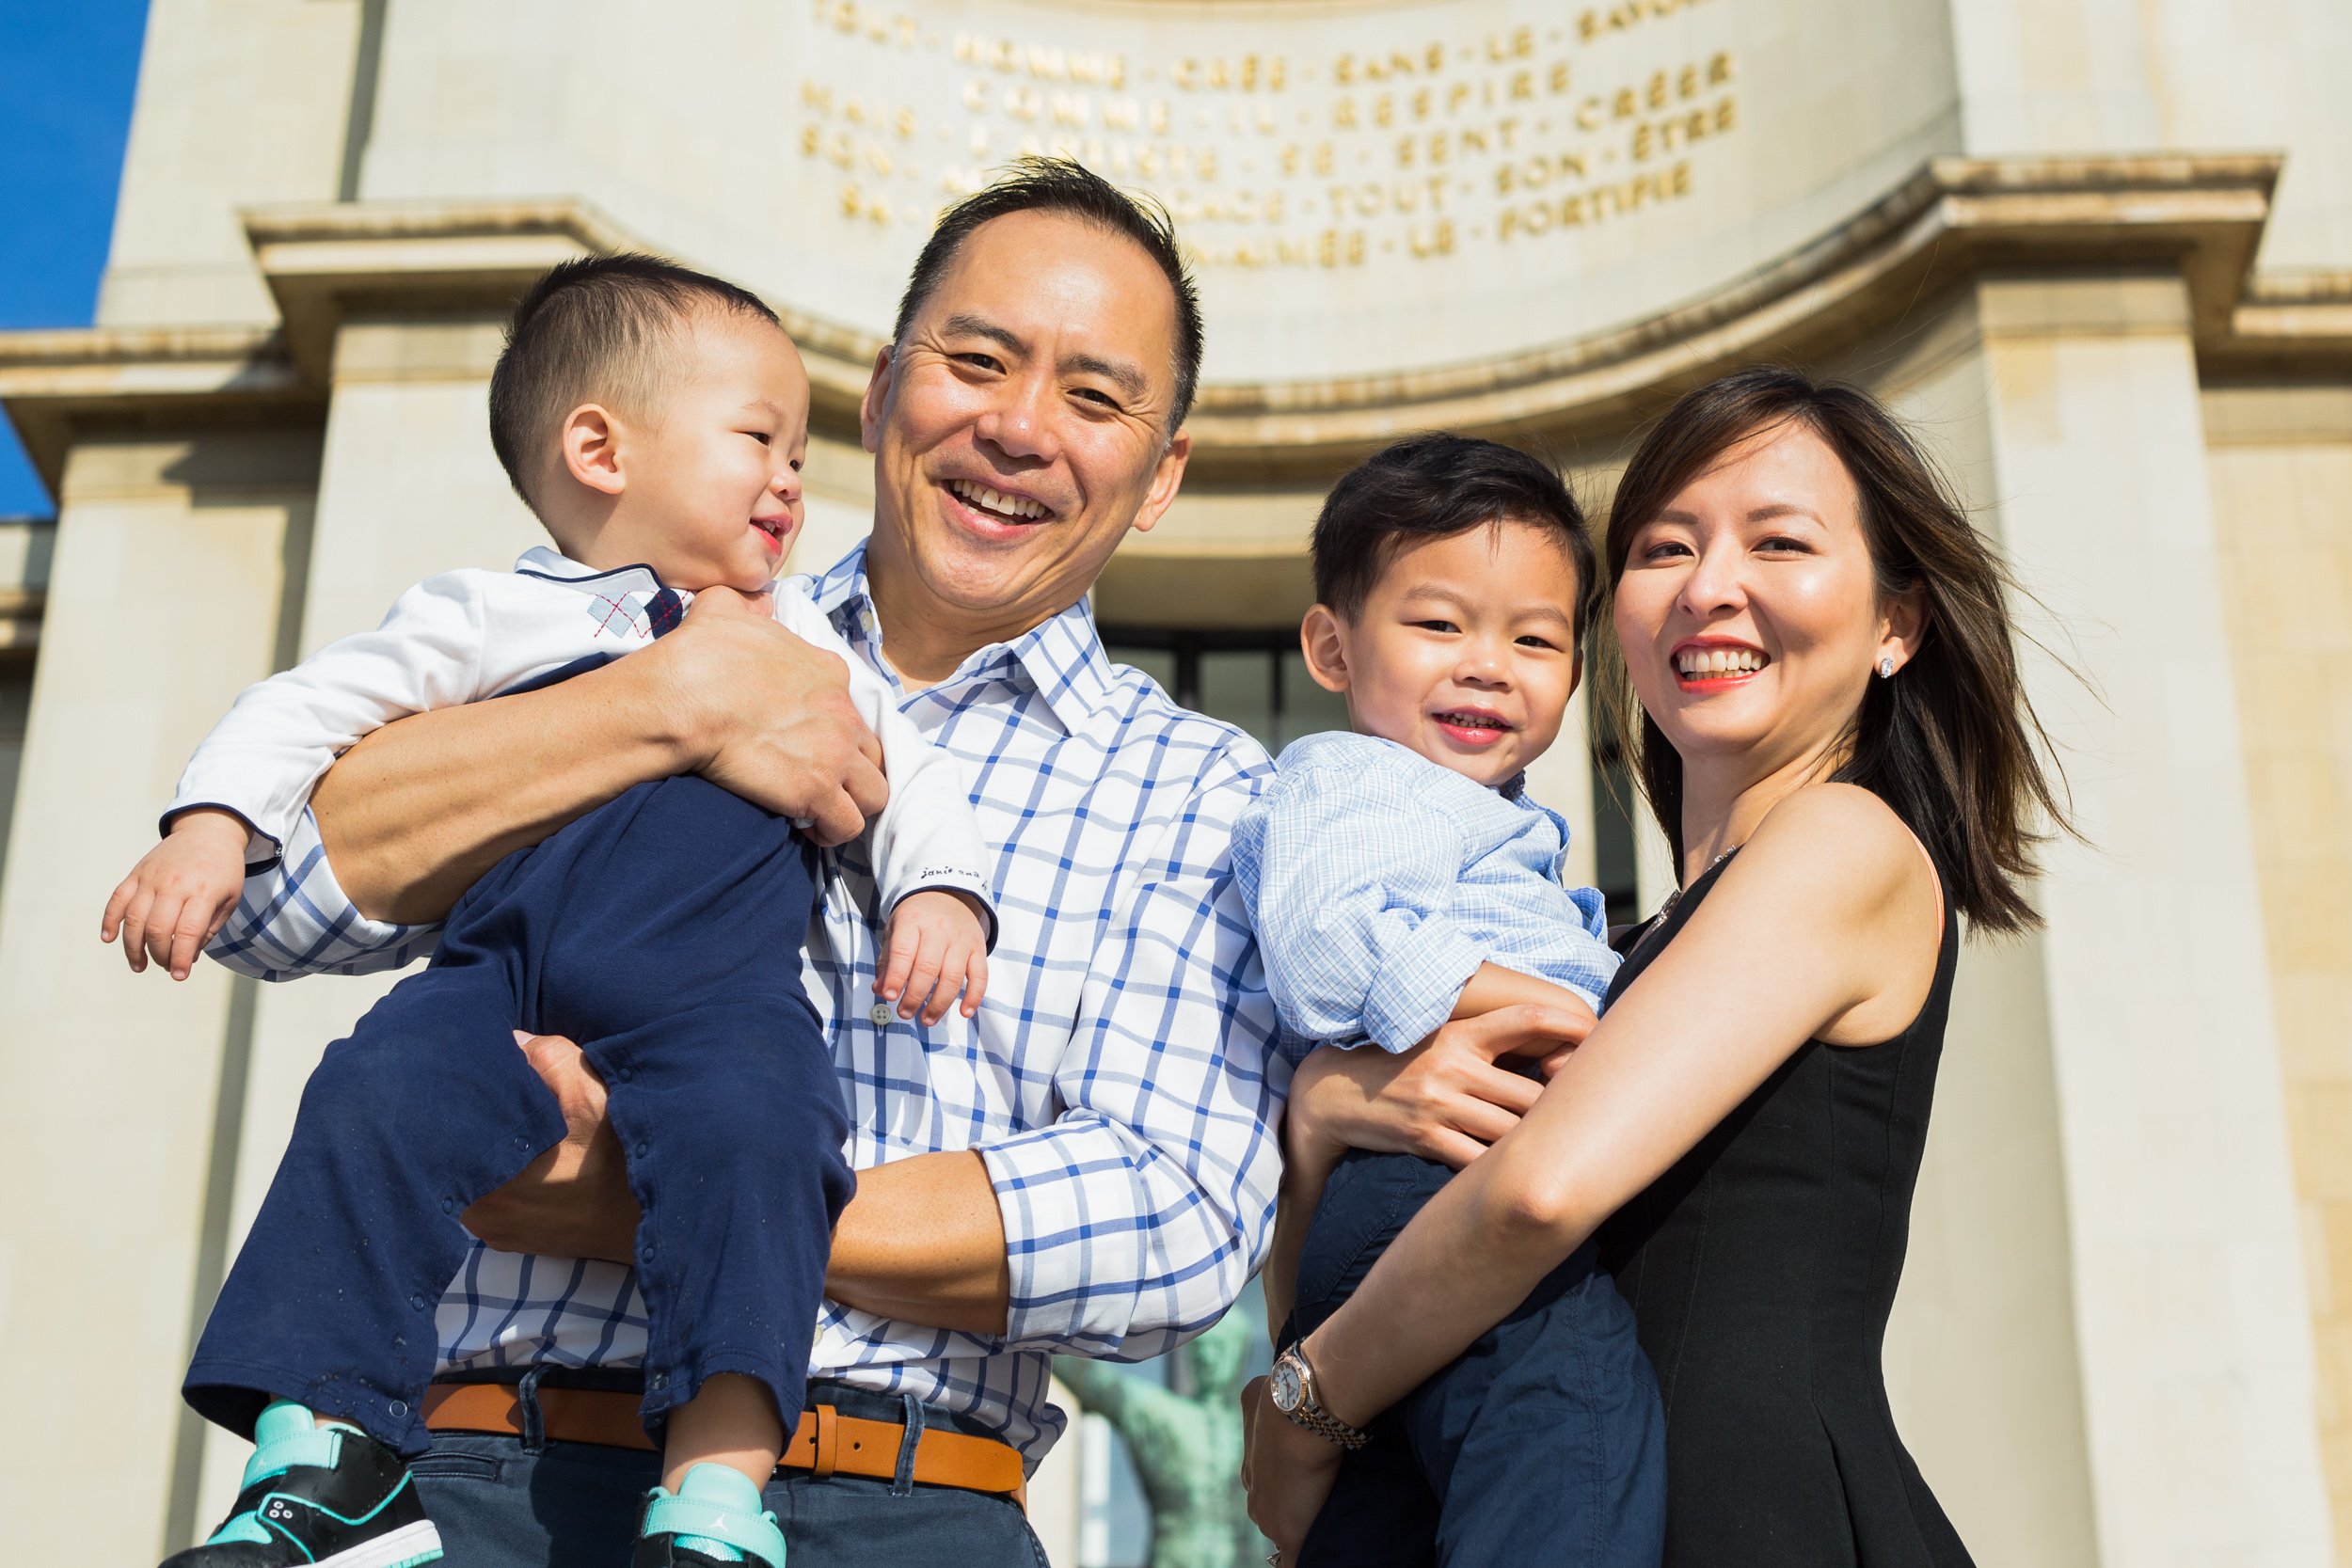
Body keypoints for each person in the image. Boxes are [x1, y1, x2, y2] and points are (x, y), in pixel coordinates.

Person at [183, 157, 1284, 1568]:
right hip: (484, 1486)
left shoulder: (1202, 792)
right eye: (979, 359)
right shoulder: (599, 618)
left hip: (911, 1505)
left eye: (1094, 395)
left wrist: (670, 1191)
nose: (1019, 427)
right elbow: (268, 904)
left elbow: (1176, 1227)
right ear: (883, 391)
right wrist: (660, 703)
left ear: (1161, 473)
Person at [103, 254, 998, 1568]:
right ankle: (331, 1456)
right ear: (600, 446)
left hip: (719, 1000)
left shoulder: (806, 638)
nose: (795, 478)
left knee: (763, 1133)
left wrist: (937, 890)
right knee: (369, 1090)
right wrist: (210, 823)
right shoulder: (491, 611)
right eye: (760, 437)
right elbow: (309, 707)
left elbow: (907, 779)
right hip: (498, 975)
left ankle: (715, 1498)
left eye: (802, 452)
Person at [1243, 368, 2070, 1568]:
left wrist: (1306, 1403)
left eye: (1778, 542)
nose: (1709, 587)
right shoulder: (1604, 954)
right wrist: (1326, 1110)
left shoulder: (1843, 840)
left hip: (1747, 1508)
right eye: (1665, 546)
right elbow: (1344, 1257)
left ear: (1898, 623)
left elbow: (1536, 1191)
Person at [1233, 434, 1662, 1565]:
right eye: (1438, 625)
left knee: (1383, 1521)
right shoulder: (1350, 780)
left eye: (1534, 638)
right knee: (1569, 1441)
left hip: (1400, 1200)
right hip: (1438, 1192)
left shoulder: (1492, 828)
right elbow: (1326, 945)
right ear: (1330, 644)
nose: (1488, 664)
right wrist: (1569, 1019)